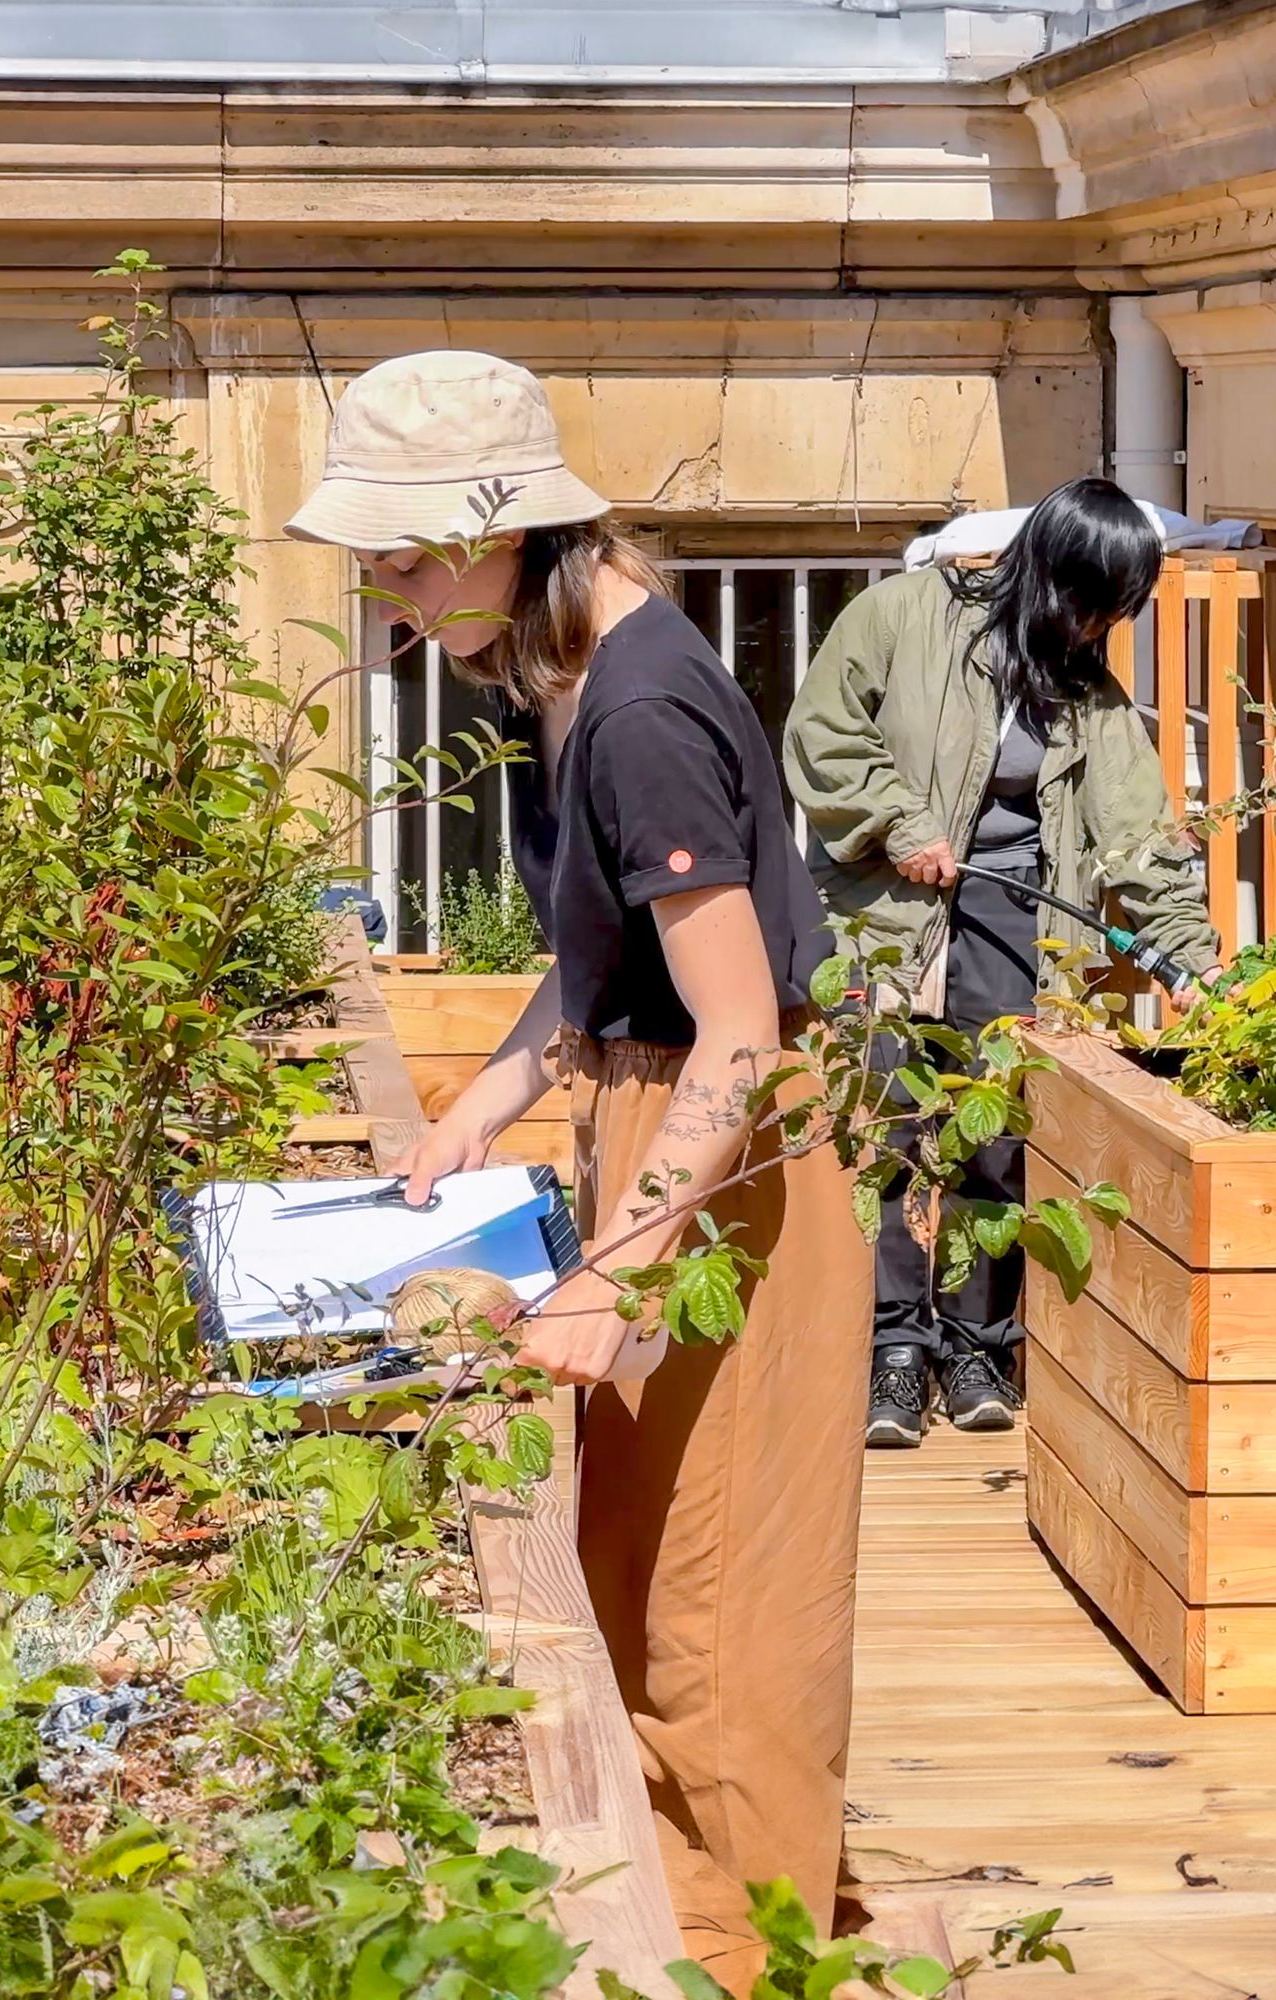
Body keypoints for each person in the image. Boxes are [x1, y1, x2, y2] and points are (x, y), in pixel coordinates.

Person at [286, 350, 870, 1990]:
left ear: (494, 530)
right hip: (661, 1126)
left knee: (720, 1620)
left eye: (402, 565)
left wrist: (617, 1267)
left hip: (729, 1164)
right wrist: (496, 1093)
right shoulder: (577, 672)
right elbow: (609, 951)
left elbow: (742, 1029)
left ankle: (744, 1961)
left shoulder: (644, 711)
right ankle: (694, 1936)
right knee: (642, 1570)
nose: (394, 606)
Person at [782, 477, 1223, 1449]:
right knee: (886, 1133)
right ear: (1047, 570)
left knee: (994, 1140)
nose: (1102, 623)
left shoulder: (1087, 695)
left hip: (1007, 917)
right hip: (882, 917)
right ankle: (891, 1352)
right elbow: (819, 733)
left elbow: (1138, 837)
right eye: (1095, 598)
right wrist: (897, 821)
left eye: (1118, 607)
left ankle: (977, 1343)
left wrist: (1191, 959)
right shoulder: (905, 617)